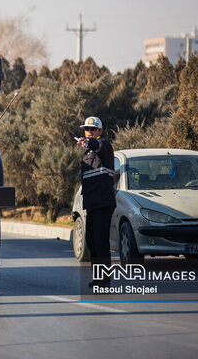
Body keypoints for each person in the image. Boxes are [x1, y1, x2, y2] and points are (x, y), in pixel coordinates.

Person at [76, 116, 117, 287]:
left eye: (93, 129)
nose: (89, 132)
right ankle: (98, 278)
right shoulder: (88, 154)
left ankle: (104, 281)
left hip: (103, 202)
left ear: (100, 131)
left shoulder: (104, 145)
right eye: (87, 129)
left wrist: (88, 142)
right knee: (92, 241)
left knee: (100, 242)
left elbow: (97, 145)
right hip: (92, 203)